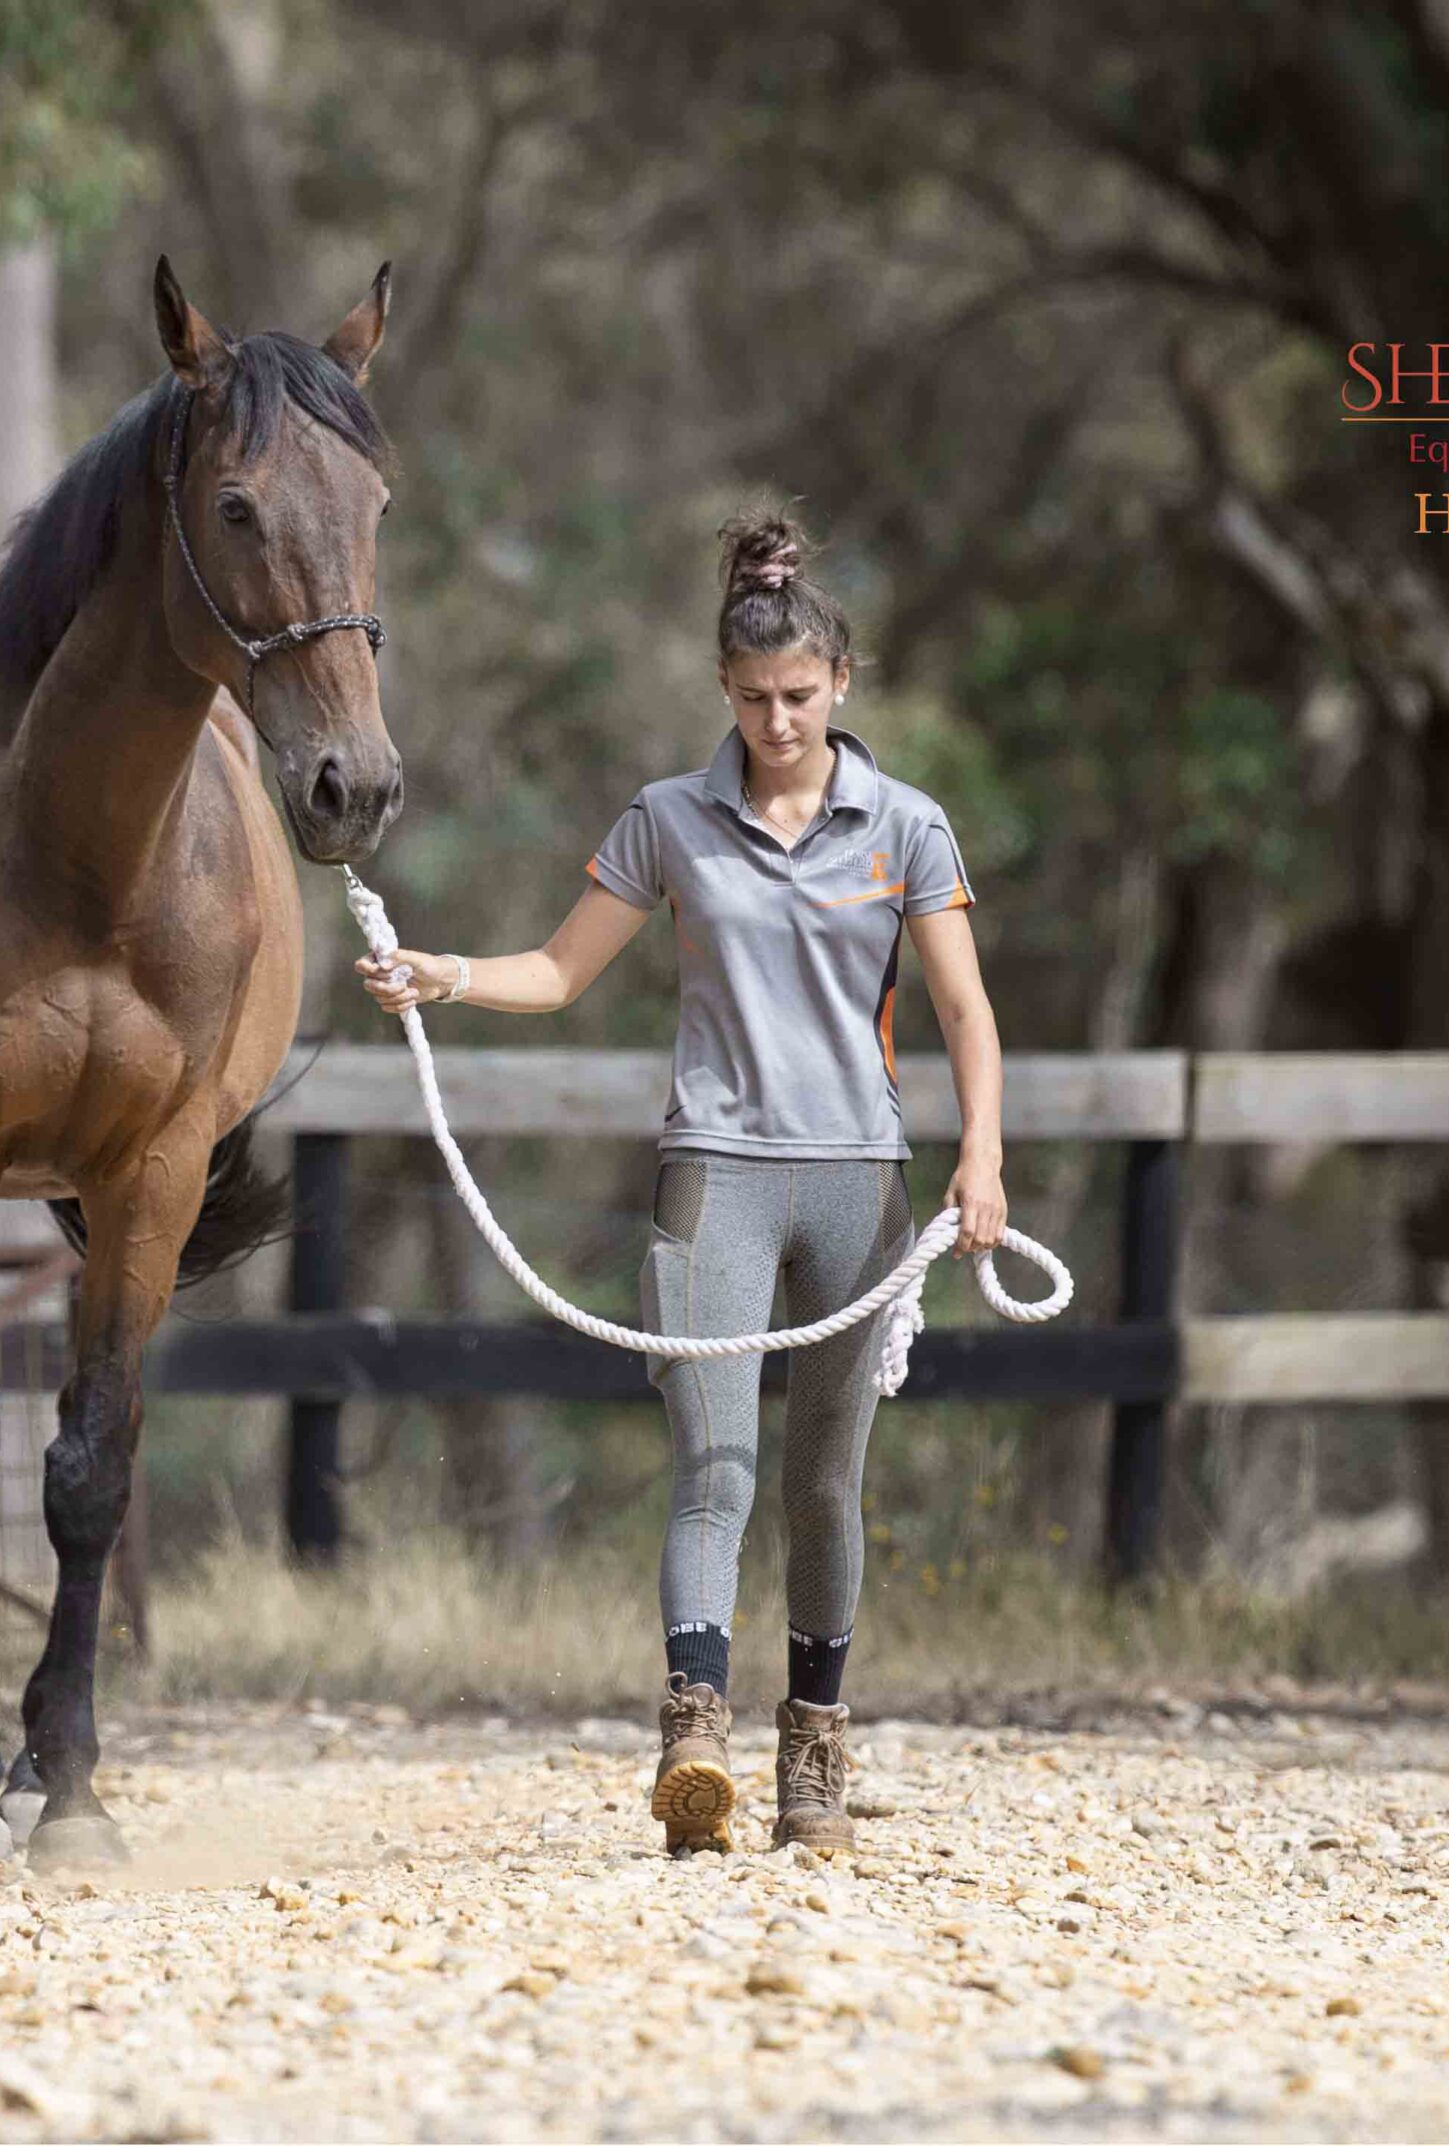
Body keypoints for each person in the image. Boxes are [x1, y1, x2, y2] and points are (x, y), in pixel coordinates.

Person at [357, 509, 1006, 1854]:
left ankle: (814, 1752)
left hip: (859, 1185)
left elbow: (964, 1010)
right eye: (757, 697)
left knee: (828, 1481)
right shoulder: (669, 820)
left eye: (802, 696)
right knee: (715, 1468)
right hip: (716, 1170)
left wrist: (983, 1156)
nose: (778, 720)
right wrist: (447, 974)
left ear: (842, 684)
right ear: (723, 688)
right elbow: (559, 968)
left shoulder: (909, 826)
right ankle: (694, 1731)